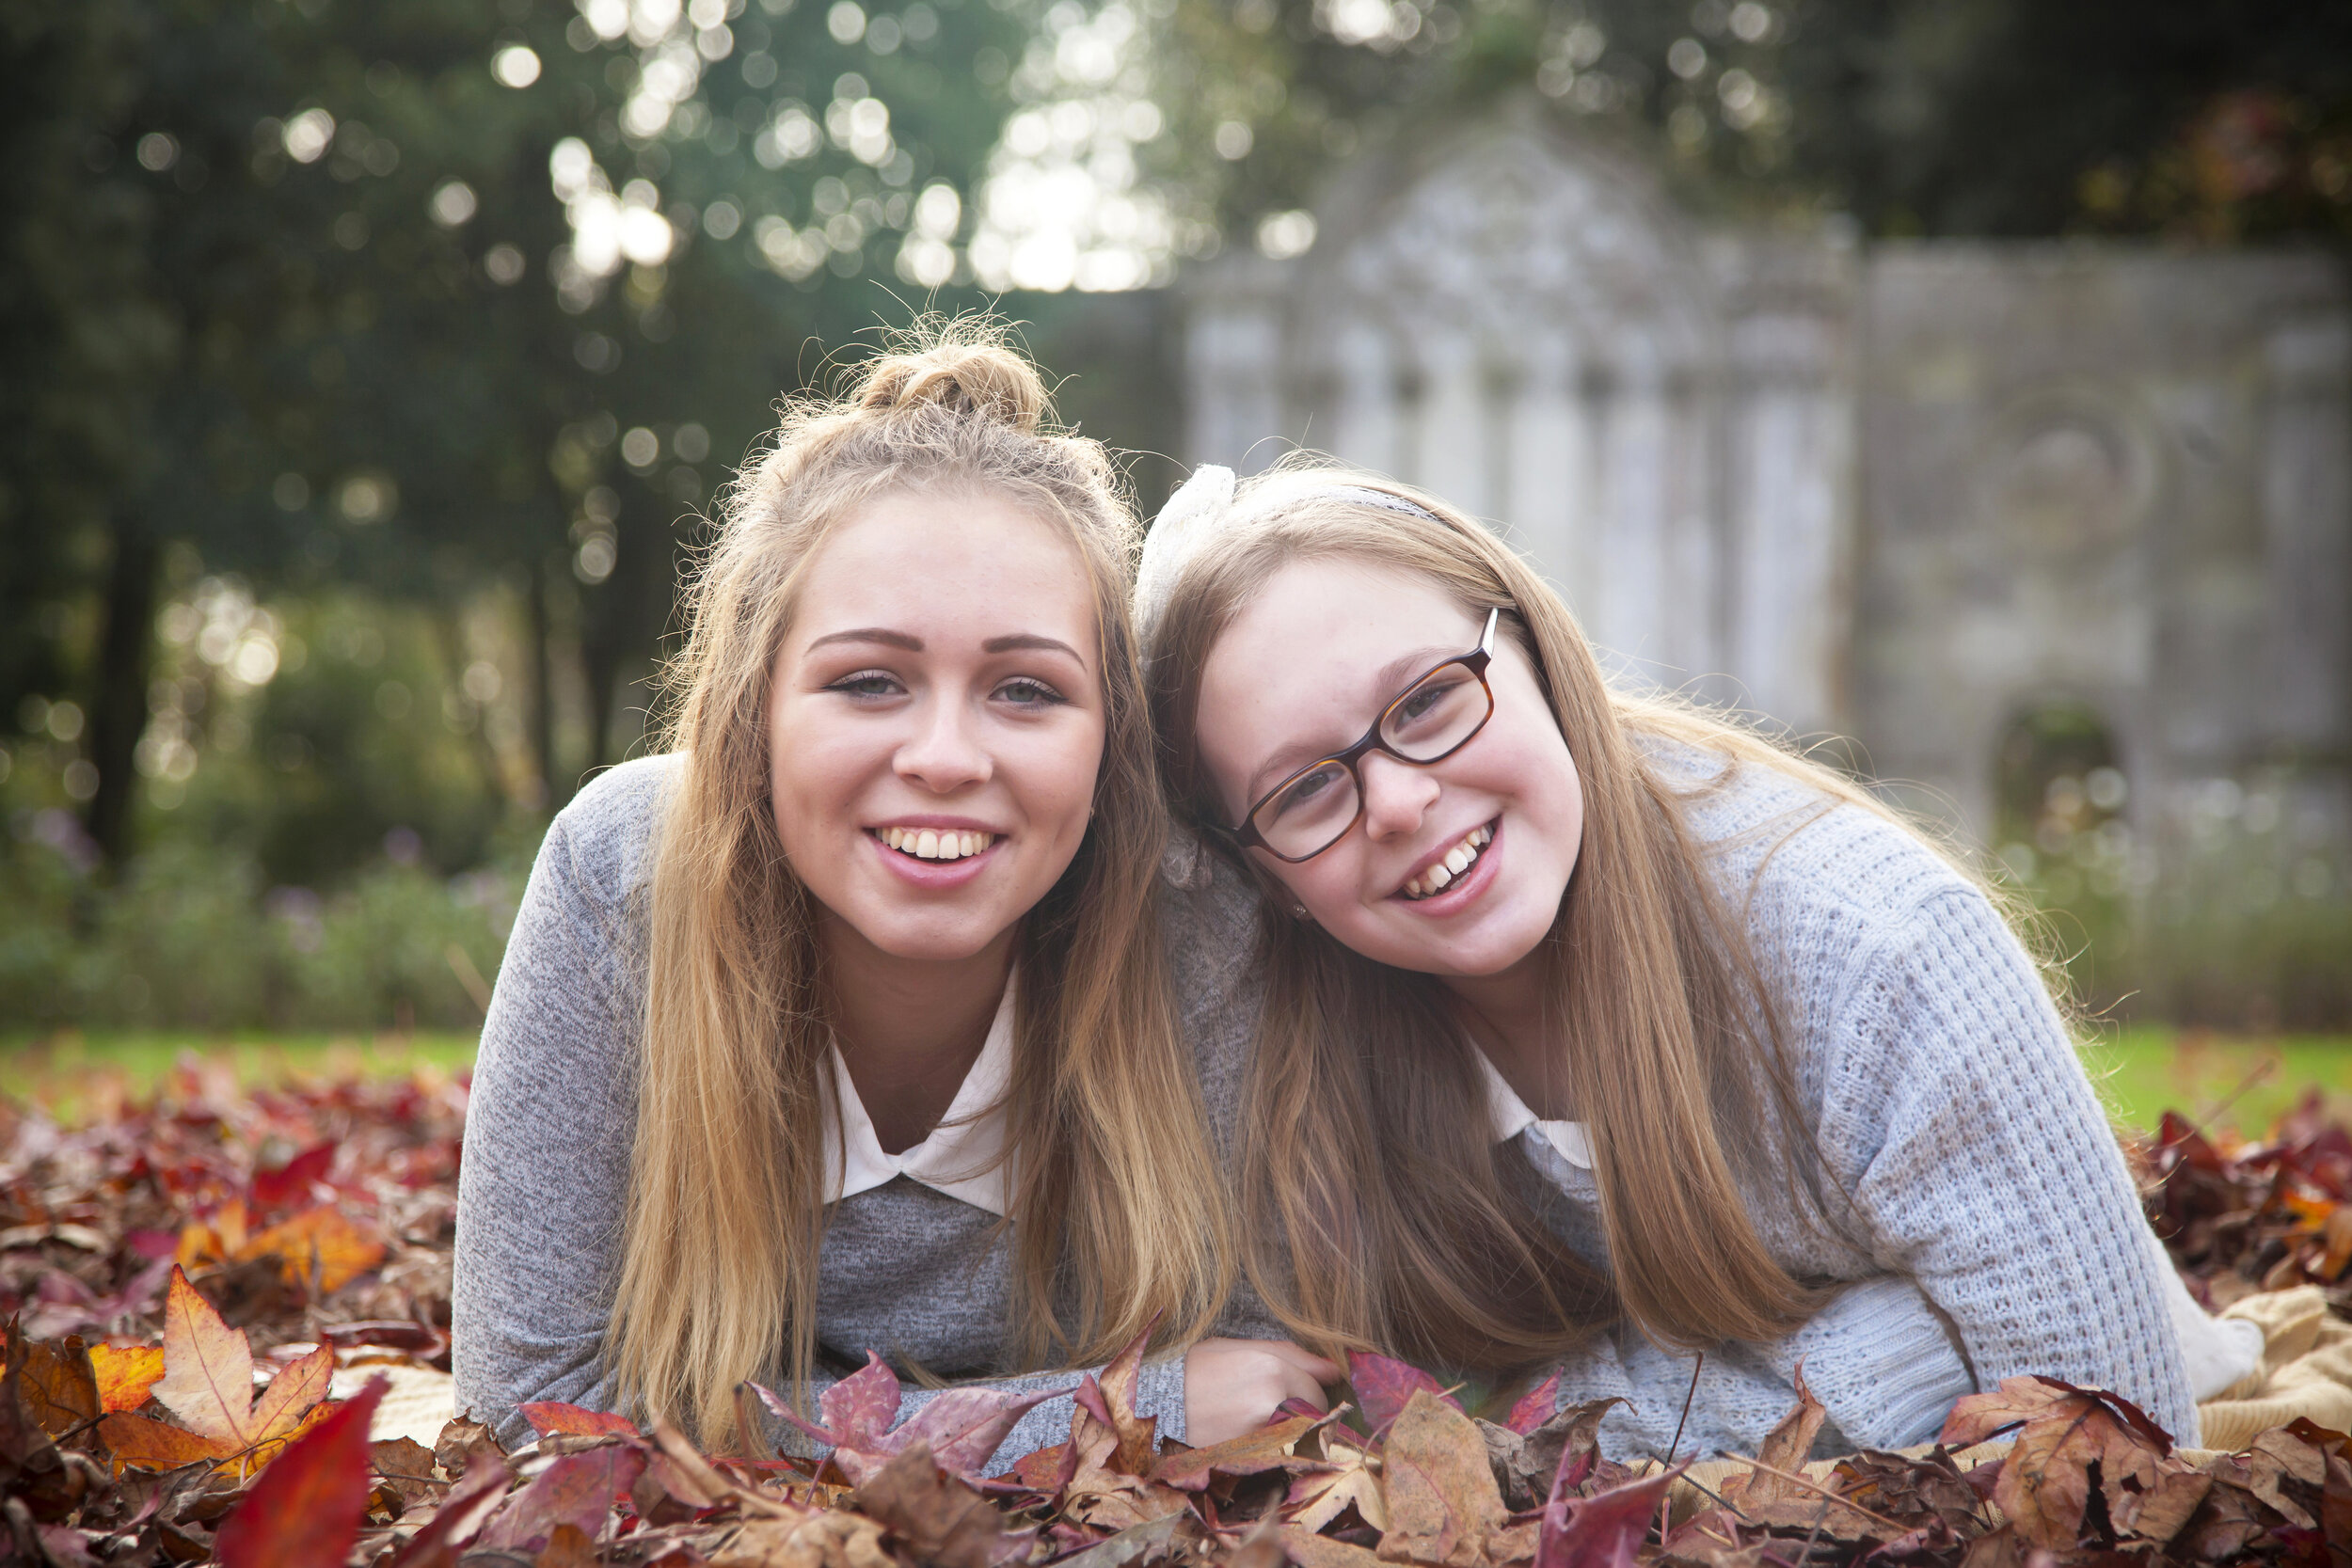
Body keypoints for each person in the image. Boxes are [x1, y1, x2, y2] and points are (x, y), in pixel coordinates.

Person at [1136, 460, 2231, 1459]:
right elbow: (1321, 1417)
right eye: (1304, 789)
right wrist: (1898, 1353)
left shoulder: (1875, 949)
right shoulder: (1274, 1037)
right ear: (1262, 876)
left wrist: (1570, 1426)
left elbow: (2117, 1464)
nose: (1401, 801)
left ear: (1534, 652)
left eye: (1426, 699)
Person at [453, 331, 1335, 1463]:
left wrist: (777, 1428)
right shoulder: (625, 882)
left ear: (1111, 736)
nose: (945, 755)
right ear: (751, 711)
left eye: (1026, 689)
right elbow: (528, 1411)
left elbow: (1272, 1387)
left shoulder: (1197, 926)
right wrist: (1121, 1411)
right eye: (869, 680)